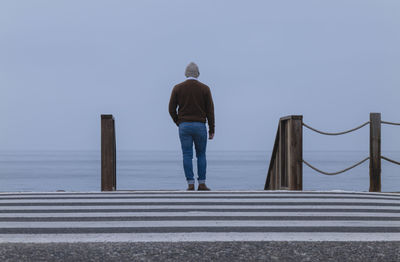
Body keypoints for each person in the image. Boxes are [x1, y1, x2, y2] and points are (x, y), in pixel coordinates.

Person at [169, 62, 215, 191]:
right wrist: (212, 129)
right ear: (198, 74)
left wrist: (178, 122)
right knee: (201, 154)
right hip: (200, 125)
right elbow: (210, 111)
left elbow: (171, 108)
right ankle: (202, 183)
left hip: (184, 126)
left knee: (187, 154)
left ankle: (190, 184)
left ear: (185, 74)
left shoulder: (177, 88)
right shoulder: (205, 88)